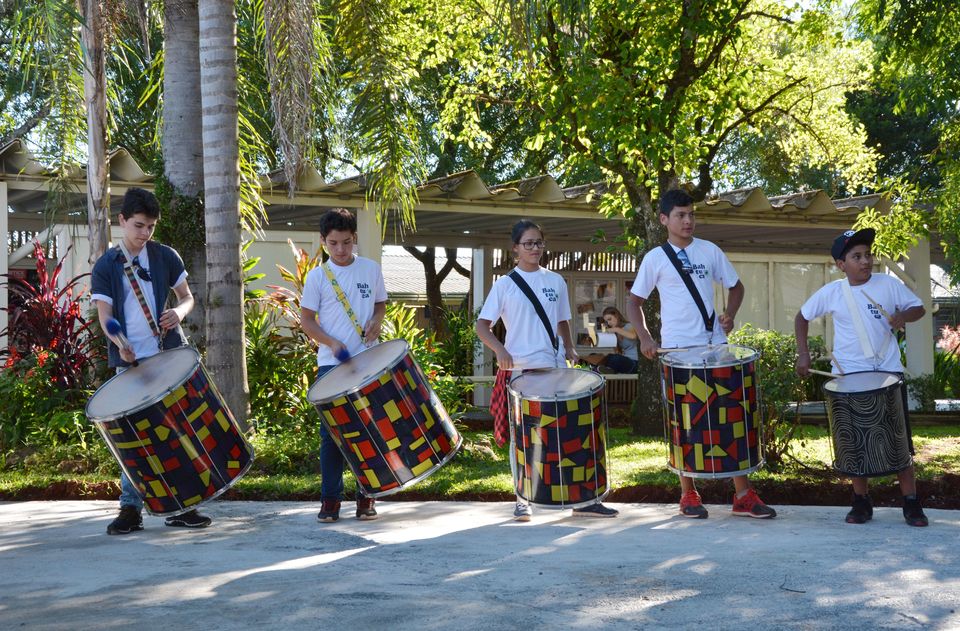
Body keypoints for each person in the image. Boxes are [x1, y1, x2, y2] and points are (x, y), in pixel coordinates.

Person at [626, 189, 776, 520]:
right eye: (680, 215)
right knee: (685, 421)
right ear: (664, 219)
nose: (688, 220)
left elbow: (736, 287)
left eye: (691, 214)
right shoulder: (655, 258)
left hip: (716, 346)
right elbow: (634, 302)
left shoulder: (709, 251)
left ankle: (743, 494)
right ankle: (688, 494)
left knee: (730, 415)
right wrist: (646, 339)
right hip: (678, 351)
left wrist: (730, 314)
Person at [476, 219, 619, 521]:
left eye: (539, 242)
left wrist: (568, 348)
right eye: (528, 243)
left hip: (554, 369)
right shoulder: (504, 285)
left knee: (568, 433)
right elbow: (482, 326)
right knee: (523, 438)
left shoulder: (554, 281)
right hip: (521, 372)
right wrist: (500, 350)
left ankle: (583, 498)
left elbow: (562, 320)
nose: (535, 248)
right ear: (515, 248)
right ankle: (522, 498)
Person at [91, 187, 210, 535]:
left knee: (178, 431)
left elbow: (188, 297)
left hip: (168, 357)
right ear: (122, 220)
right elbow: (106, 317)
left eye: (151, 227)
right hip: (130, 364)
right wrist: (120, 342)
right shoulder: (106, 266)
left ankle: (184, 505)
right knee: (133, 439)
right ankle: (131, 509)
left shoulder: (164, 256)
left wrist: (179, 312)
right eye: (139, 225)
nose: (145, 234)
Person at [795, 228, 928, 527]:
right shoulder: (832, 292)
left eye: (868, 255)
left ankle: (911, 502)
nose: (865, 261)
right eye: (857, 257)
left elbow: (918, 308)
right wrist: (803, 354)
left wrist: (902, 318)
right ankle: (861, 501)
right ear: (841, 264)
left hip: (888, 374)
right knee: (854, 442)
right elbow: (801, 317)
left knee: (899, 441)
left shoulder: (887, 285)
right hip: (849, 377)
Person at [301, 208, 387, 523]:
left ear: (355, 240)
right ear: (323, 242)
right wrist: (331, 342)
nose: (340, 250)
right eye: (334, 243)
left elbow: (380, 304)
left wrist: (377, 322)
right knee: (332, 436)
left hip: (369, 361)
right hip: (331, 366)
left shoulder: (371, 269)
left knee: (370, 429)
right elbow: (307, 322)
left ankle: (367, 497)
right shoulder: (317, 276)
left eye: (347, 242)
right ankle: (330, 501)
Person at [592, 306, 639, 374]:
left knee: (615, 358)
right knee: (598, 356)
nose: (608, 323)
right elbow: (618, 352)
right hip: (624, 361)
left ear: (616, 316)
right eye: (606, 321)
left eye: (609, 319)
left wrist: (616, 329)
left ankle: (607, 369)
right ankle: (607, 369)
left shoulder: (629, 326)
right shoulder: (615, 333)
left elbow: (633, 336)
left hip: (634, 363)